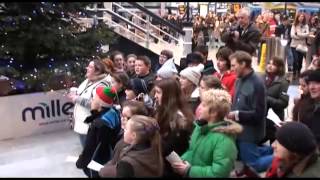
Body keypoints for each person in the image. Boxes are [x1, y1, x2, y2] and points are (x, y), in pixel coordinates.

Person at [171, 89, 239, 177]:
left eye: (203, 105)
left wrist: (190, 170)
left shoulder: (224, 140)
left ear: (214, 112)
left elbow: (219, 173)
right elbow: (192, 151)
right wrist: (182, 161)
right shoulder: (200, 128)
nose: (199, 108)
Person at [227, 51, 273, 172]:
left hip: (249, 133)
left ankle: (282, 158)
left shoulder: (257, 84)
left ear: (243, 64)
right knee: (243, 155)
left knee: (253, 165)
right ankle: (272, 150)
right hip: (238, 131)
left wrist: (235, 115)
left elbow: (258, 114)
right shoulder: (238, 80)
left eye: (233, 65)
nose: (231, 69)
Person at [75, 86, 121, 178]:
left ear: (100, 104)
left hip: (98, 164)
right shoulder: (113, 112)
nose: (91, 100)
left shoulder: (99, 124)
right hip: (109, 159)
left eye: (94, 98)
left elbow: (91, 148)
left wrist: (81, 162)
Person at [153, 78, 194, 177]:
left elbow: (170, 148)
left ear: (168, 95)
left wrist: (151, 135)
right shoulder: (162, 112)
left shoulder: (180, 120)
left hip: (173, 170)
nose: (155, 96)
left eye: (158, 92)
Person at [99, 115, 163, 177]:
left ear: (133, 135)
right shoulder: (154, 149)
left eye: (126, 129)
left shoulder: (127, 163)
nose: (124, 130)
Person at [68, 59, 111, 148]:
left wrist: (77, 99)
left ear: (97, 71)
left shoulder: (101, 85)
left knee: (91, 157)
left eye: (90, 67)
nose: (87, 68)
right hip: (83, 126)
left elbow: (97, 105)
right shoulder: (88, 80)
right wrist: (75, 94)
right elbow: (84, 94)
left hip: (91, 127)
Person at [98, 101, 149, 177]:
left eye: (126, 117)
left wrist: (106, 169)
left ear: (137, 121)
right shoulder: (124, 132)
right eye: (121, 115)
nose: (122, 119)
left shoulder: (129, 142)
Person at [260, 57, 289, 145]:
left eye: (273, 64)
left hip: (274, 119)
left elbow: (283, 103)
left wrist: (267, 99)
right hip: (261, 118)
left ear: (279, 67)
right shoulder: (261, 78)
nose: (270, 66)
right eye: (269, 63)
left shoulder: (283, 82)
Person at [290, 13, 309, 79]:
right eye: (300, 17)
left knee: (300, 60)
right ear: (297, 17)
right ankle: (294, 73)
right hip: (294, 45)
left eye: (303, 17)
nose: (301, 18)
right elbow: (292, 35)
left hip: (302, 46)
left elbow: (307, 34)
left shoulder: (306, 26)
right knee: (296, 60)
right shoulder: (294, 25)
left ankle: (298, 72)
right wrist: (301, 36)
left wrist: (298, 34)